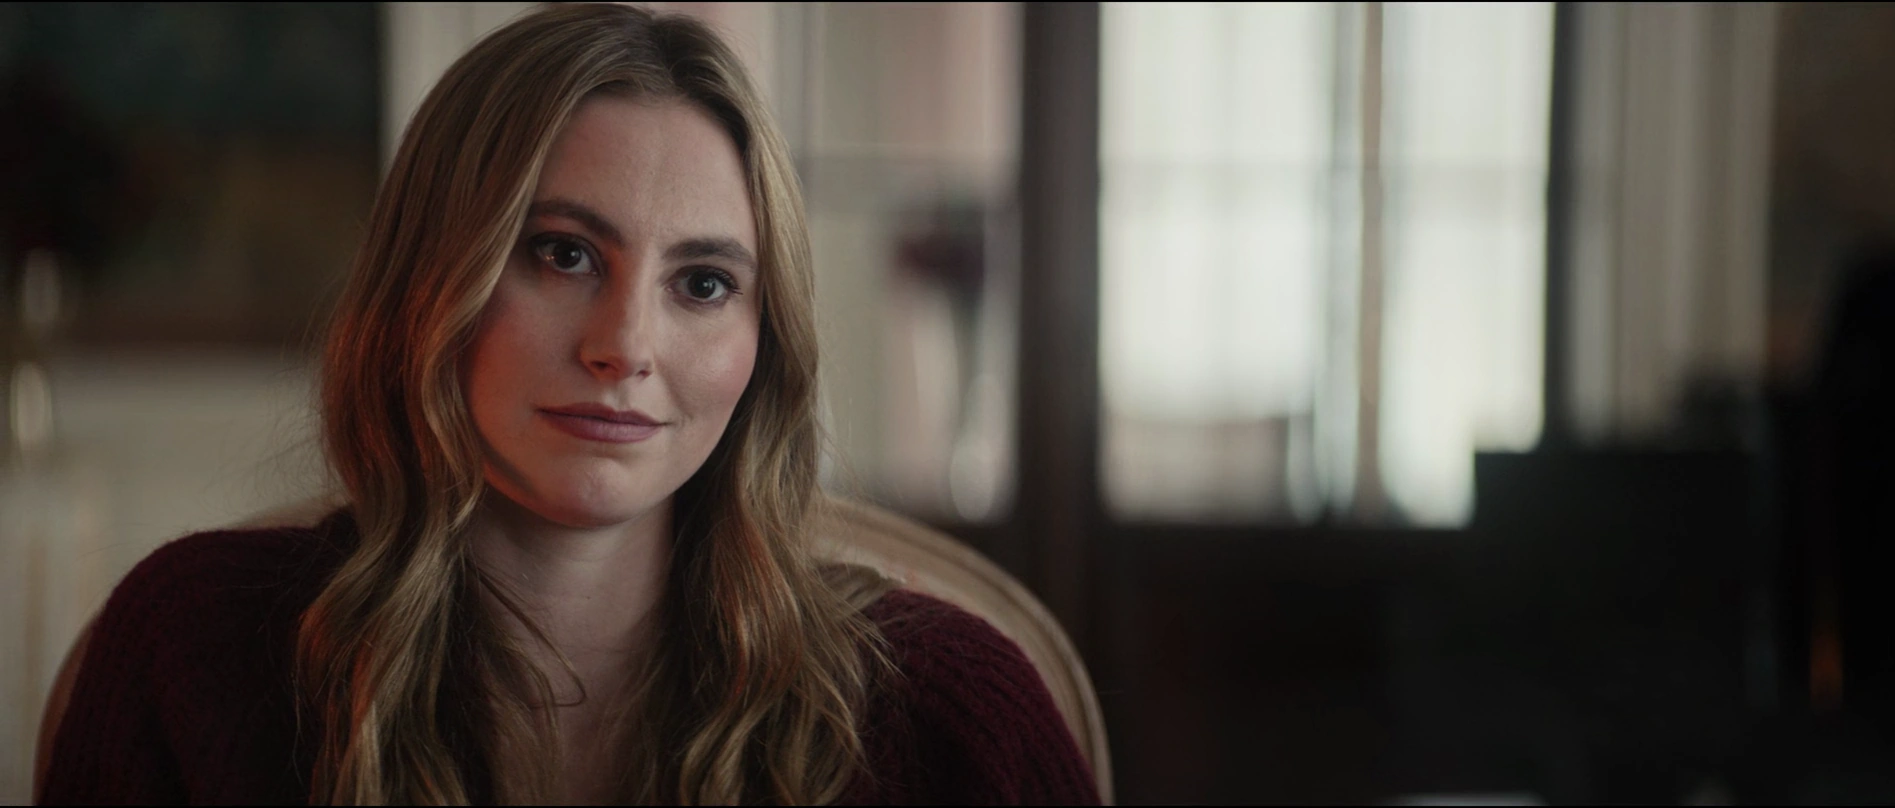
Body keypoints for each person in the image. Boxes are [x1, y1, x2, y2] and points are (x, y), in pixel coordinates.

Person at [35, 5, 1098, 804]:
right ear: (432, 277)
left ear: (764, 343)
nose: (624, 347)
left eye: (703, 283)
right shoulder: (189, 654)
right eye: (563, 254)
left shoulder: (952, 718)